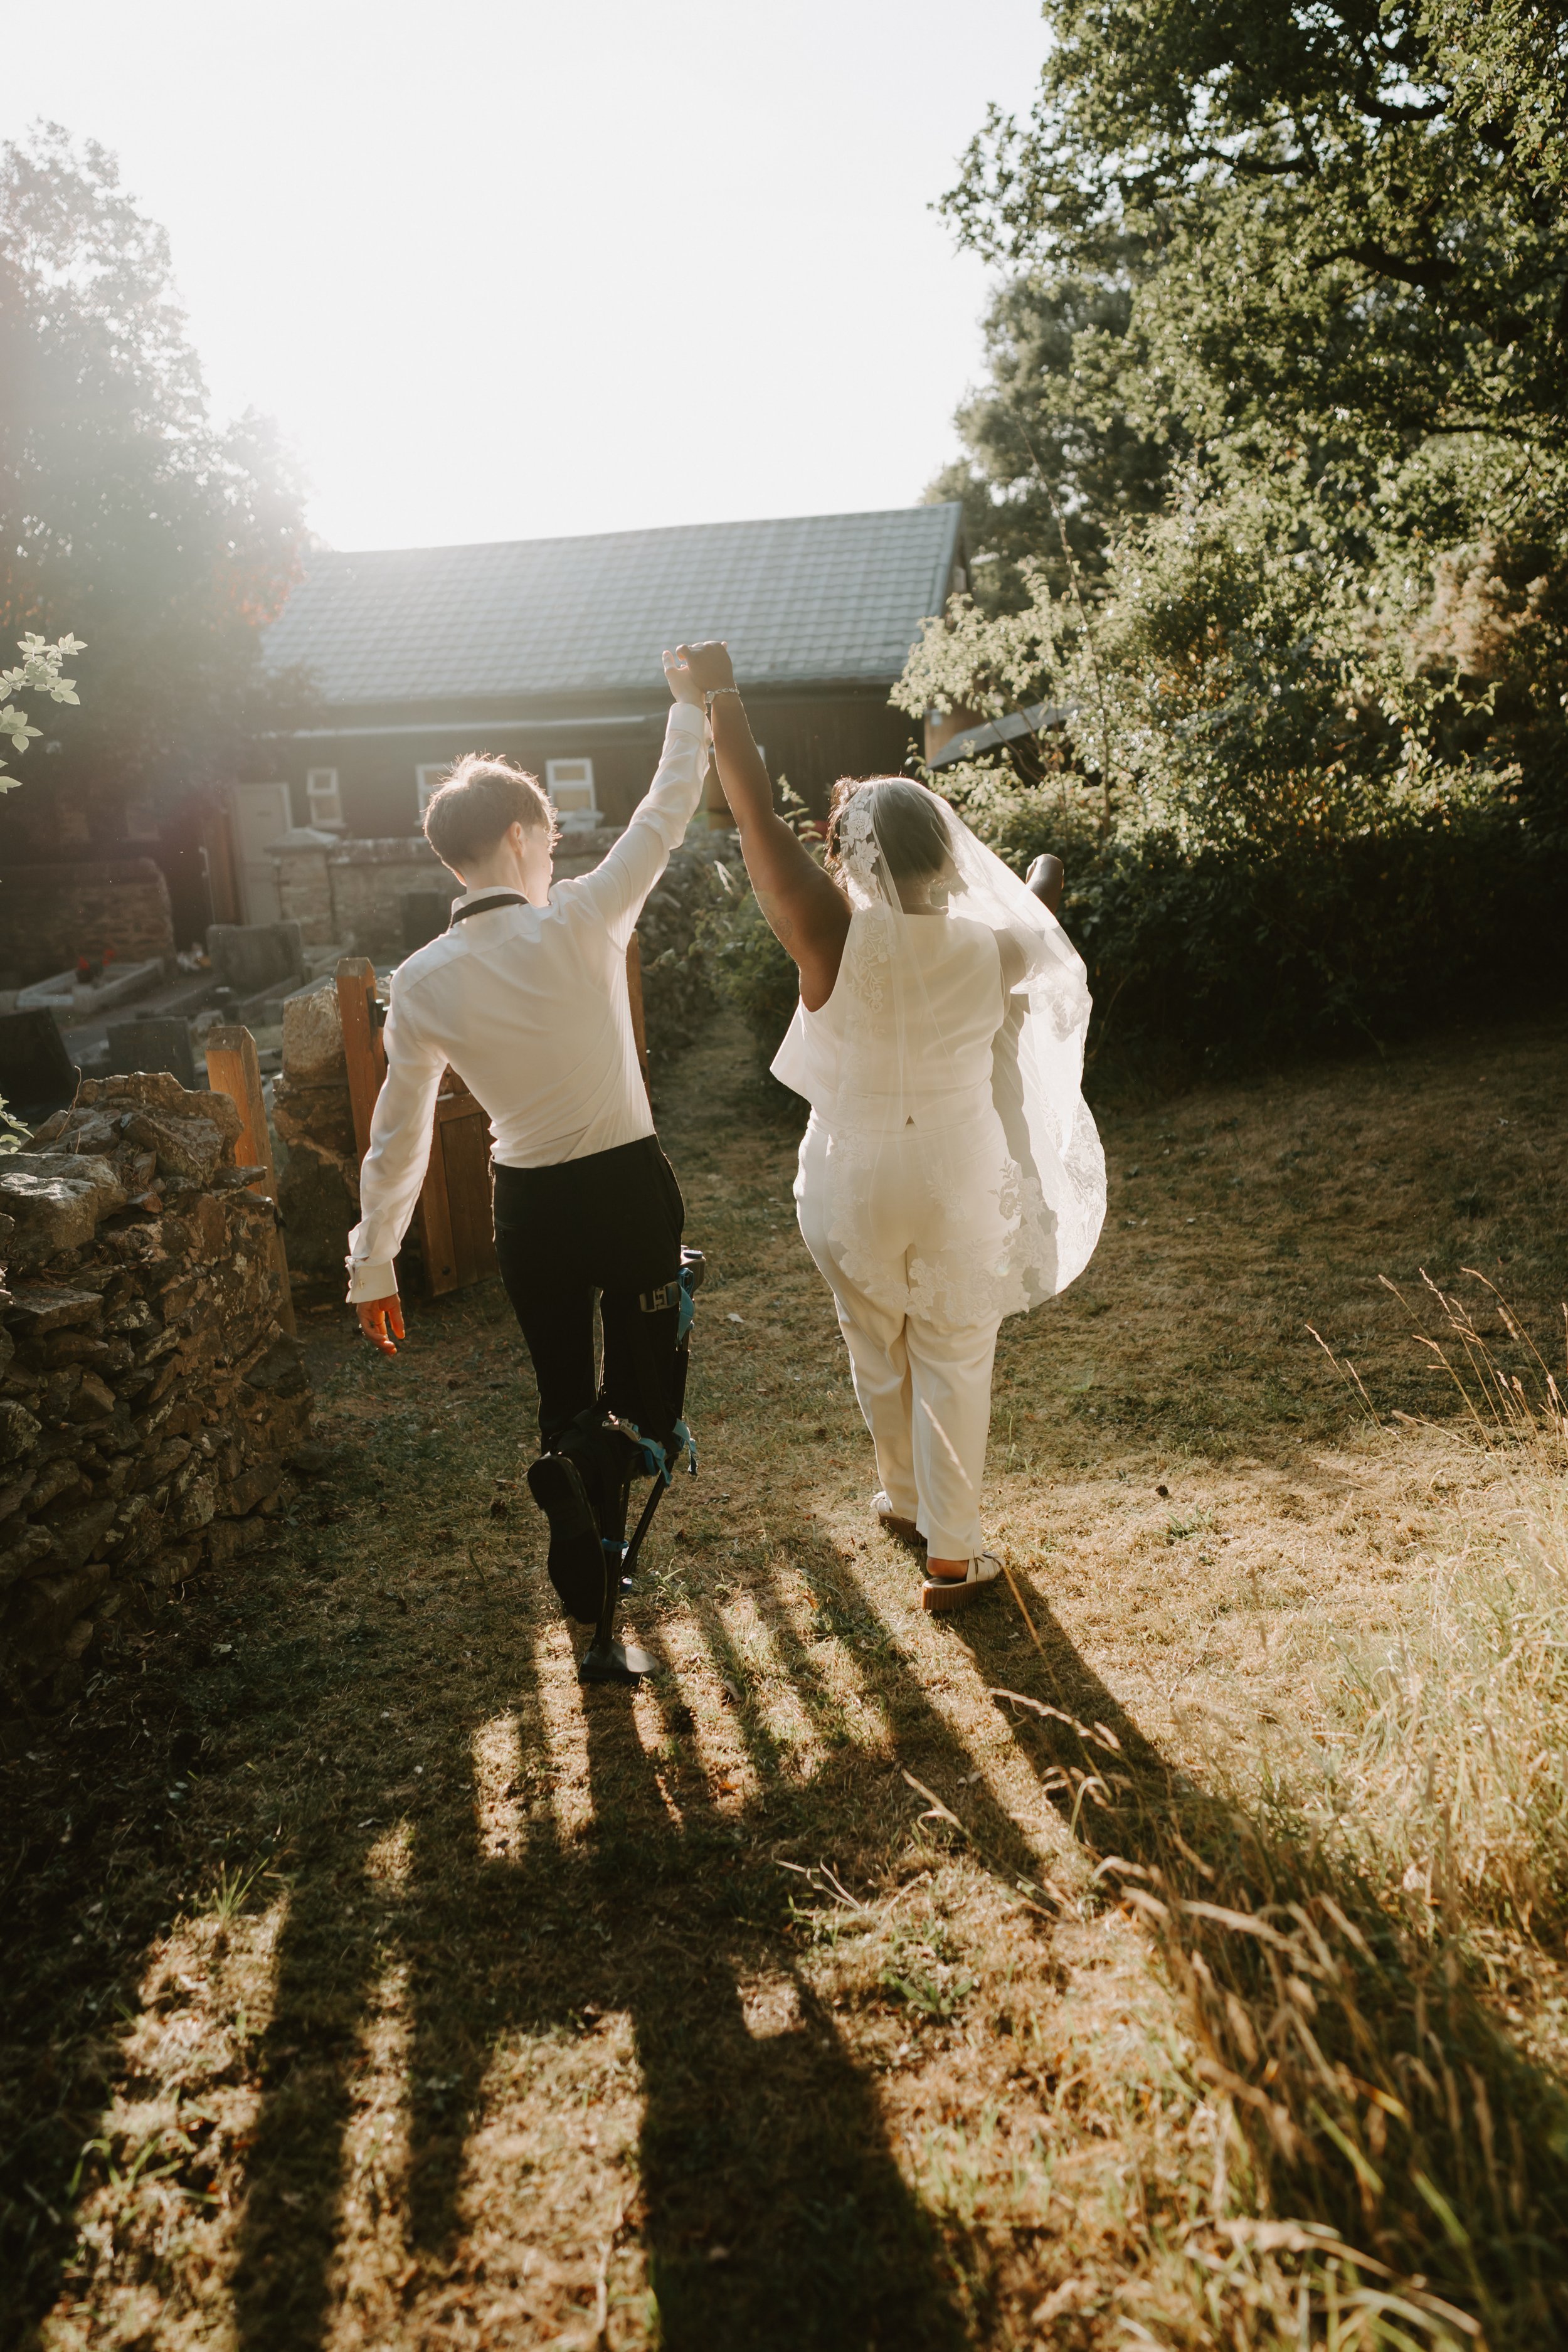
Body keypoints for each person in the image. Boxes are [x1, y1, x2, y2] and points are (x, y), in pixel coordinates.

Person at [681, 640, 1105, 1611]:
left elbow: (753, 814)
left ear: (844, 854)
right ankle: (951, 1551)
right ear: (949, 854)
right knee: (955, 1349)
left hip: (850, 1177)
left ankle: (904, 1497)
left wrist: (721, 696)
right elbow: (1041, 907)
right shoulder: (994, 945)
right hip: (958, 1173)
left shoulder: (826, 929)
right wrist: (1042, 872)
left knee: (874, 1340)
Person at [346, 649, 711, 1626]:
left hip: (530, 1209)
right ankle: (595, 1502)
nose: (554, 856)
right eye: (547, 839)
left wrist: (374, 1262)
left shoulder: (422, 979)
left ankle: (583, 1544)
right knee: (643, 1396)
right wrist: (689, 706)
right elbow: (665, 812)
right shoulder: (583, 917)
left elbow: (399, 1133)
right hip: (626, 1191)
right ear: (517, 837)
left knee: (564, 1393)